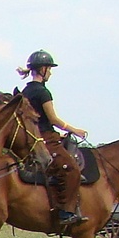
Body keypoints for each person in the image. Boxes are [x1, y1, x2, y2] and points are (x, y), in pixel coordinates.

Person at [17, 49, 88, 225]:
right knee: (72, 169)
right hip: (46, 139)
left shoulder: (26, 91)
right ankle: (66, 213)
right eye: (49, 68)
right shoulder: (42, 92)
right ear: (42, 69)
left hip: (34, 136)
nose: (50, 72)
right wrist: (74, 130)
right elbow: (53, 119)